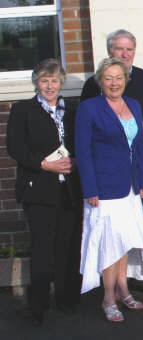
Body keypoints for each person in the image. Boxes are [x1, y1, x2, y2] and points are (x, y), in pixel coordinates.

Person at [76, 58, 143, 322]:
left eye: (119, 78)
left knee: (124, 242)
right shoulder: (89, 108)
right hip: (103, 189)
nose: (114, 83)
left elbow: (138, 148)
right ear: (100, 81)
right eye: (109, 78)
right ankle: (108, 298)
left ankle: (124, 289)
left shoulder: (134, 105)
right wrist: (90, 187)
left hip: (130, 188)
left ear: (126, 80)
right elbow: (83, 151)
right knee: (109, 246)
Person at [6, 59, 83, 325]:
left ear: (61, 82)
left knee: (67, 247)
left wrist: (76, 161)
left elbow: (81, 143)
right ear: (36, 83)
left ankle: (66, 299)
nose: (49, 86)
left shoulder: (71, 110)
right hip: (39, 190)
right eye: (44, 80)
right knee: (42, 249)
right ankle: (37, 306)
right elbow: (15, 147)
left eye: (54, 80)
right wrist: (45, 164)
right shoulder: (22, 110)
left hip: (69, 190)